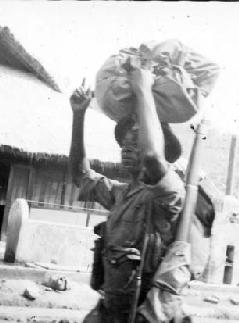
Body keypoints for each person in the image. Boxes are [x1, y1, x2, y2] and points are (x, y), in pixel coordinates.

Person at [70, 62, 186, 323]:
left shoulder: (169, 192)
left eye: (137, 140)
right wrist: (79, 116)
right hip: (113, 311)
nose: (127, 147)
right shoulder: (121, 194)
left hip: (146, 316)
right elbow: (81, 176)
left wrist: (143, 88)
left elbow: (152, 157)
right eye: (125, 142)